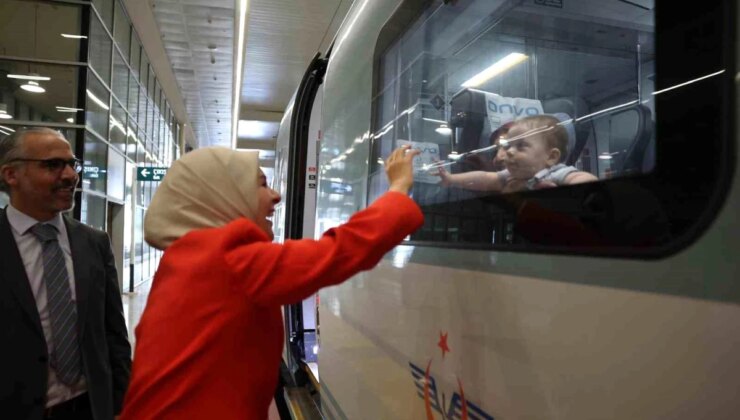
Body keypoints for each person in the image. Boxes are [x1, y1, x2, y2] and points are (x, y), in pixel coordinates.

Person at [119, 145, 424, 419]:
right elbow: (337, 253)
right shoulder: (226, 260)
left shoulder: (185, 261)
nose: (277, 195)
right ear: (224, 195)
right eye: (262, 184)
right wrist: (398, 190)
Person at [0, 128, 132, 420]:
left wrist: (122, 406)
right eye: (53, 165)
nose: (71, 175)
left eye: (73, 164)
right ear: (11, 175)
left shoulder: (94, 242)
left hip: (88, 408)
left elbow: (114, 336)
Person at [436, 115, 597, 193]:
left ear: (551, 157)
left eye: (520, 146)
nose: (509, 152)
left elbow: (582, 179)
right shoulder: (509, 176)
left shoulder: (556, 173)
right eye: (508, 146)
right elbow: (484, 178)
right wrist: (451, 179)